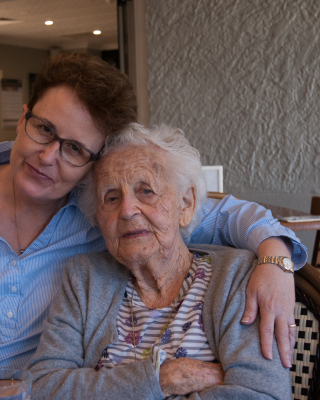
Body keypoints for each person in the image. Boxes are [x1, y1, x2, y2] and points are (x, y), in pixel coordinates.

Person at [0, 53, 303, 400]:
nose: (49, 155)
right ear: (22, 119)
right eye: (44, 129)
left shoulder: (111, 219)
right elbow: (48, 385)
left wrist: (275, 260)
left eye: (74, 149)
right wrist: (160, 378)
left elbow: (228, 214)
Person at [28, 123, 292, 399]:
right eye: (112, 197)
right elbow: (43, 387)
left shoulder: (235, 277)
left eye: (146, 191)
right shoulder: (84, 279)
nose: (127, 210)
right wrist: (161, 379)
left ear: (186, 204)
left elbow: (261, 394)